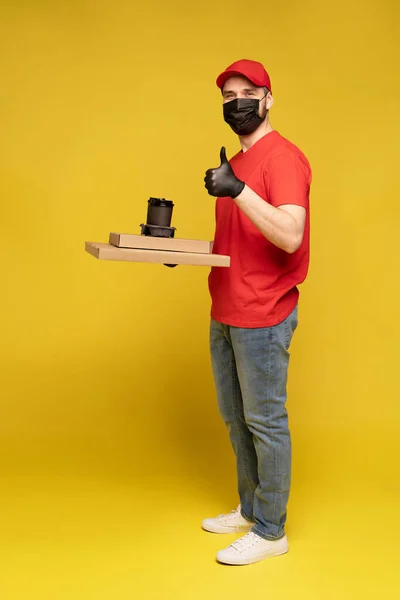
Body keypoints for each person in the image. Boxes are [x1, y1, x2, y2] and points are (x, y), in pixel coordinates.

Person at [202, 59, 312, 566]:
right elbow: (238, 242)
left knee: (264, 421)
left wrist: (239, 191)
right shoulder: (236, 163)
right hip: (224, 309)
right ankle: (250, 509)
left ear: (268, 99)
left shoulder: (283, 158)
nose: (237, 101)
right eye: (228, 95)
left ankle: (271, 531)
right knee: (234, 419)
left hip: (263, 314)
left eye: (248, 92)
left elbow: (290, 235)